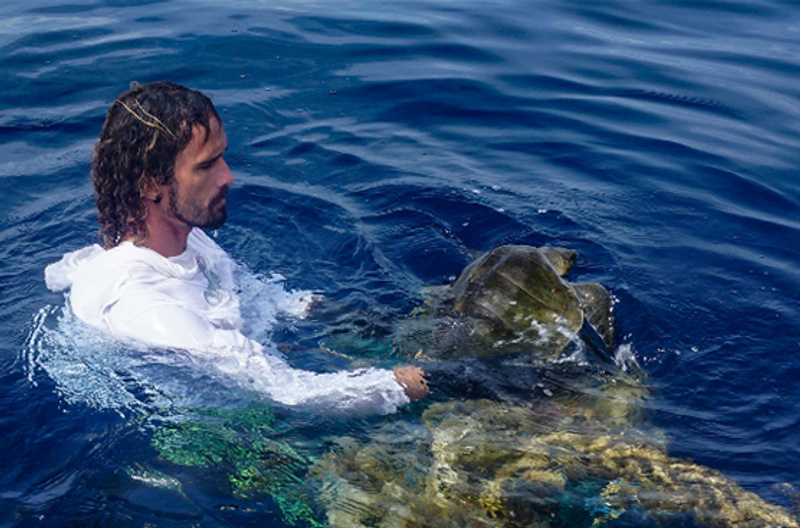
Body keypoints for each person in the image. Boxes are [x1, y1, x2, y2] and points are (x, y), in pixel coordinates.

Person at [45, 81, 427, 413]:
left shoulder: (188, 239)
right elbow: (286, 394)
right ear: (149, 186)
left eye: (222, 157)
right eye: (206, 165)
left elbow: (251, 294)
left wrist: (361, 322)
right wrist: (411, 384)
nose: (229, 176)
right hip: (212, 445)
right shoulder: (149, 310)